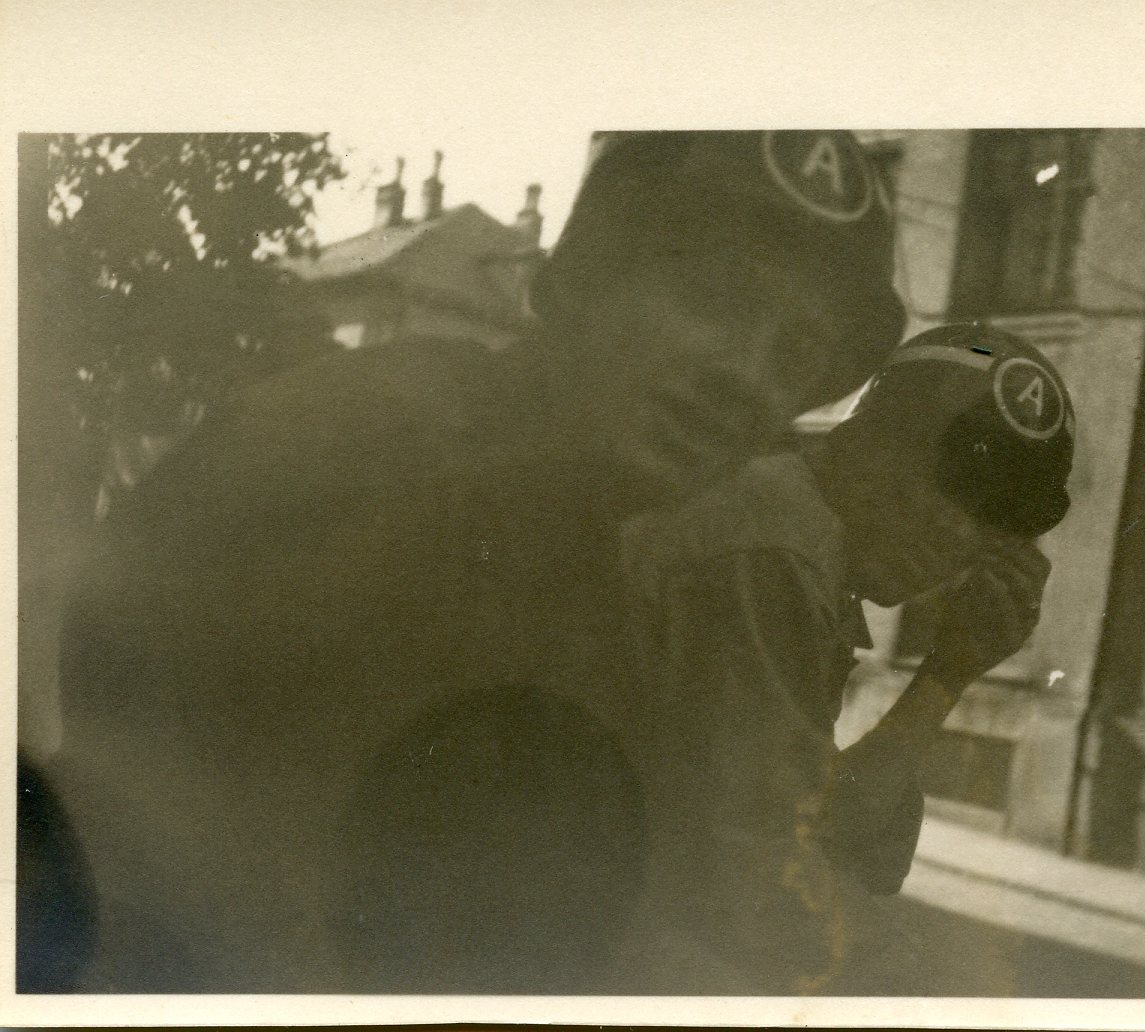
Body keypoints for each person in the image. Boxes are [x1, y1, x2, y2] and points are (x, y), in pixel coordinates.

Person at [45, 131, 907, 992]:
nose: (748, 377)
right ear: (583, 282)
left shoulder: (569, 526)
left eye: (794, 354)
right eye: (716, 299)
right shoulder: (394, 456)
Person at [607, 322, 1075, 993]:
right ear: (870, 439)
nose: (963, 535)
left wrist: (950, 671)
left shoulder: (800, 535)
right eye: (955, 481)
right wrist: (944, 677)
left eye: (998, 514)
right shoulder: (778, 551)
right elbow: (768, 881)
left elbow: (837, 833)